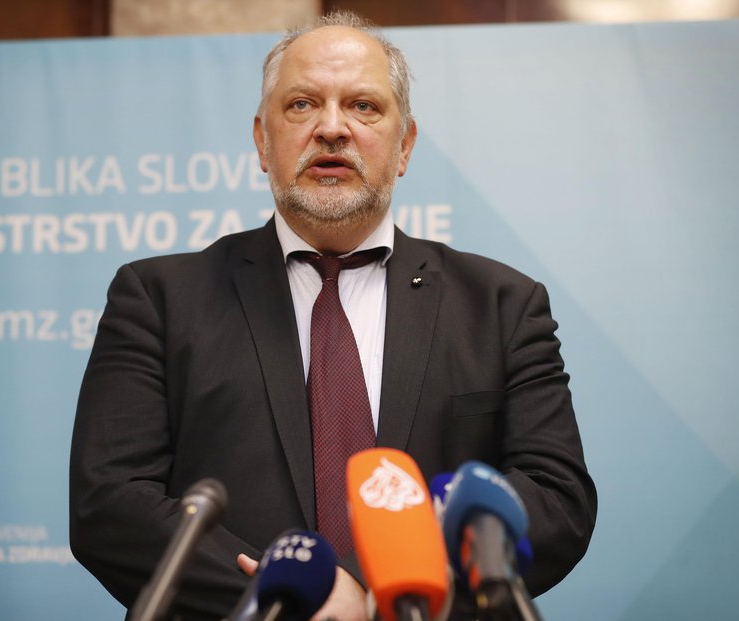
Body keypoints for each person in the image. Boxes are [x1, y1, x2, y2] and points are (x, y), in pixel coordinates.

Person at [70, 11, 597, 621]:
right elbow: (108, 504)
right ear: (262, 142)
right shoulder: (159, 298)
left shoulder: (502, 305)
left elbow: (557, 500)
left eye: (364, 107)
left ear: (405, 146)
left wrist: (405, 587)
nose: (331, 129)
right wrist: (288, 591)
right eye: (300, 105)